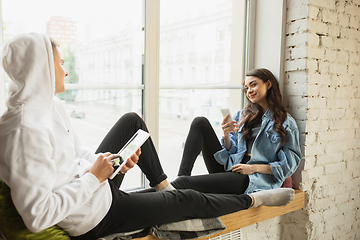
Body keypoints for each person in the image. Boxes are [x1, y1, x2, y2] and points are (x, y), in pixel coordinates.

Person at [0, 33, 295, 240]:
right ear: (41, 69)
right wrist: (94, 177)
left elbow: (77, 153)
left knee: (132, 122)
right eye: (60, 63)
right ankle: (255, 200)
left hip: (94, 189)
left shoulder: (50, 105)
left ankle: (162, 186)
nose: (65, 70)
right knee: (186, 198)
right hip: (93, 215)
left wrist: (112, 163)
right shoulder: (25, 131)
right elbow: (37, 217)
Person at [172, 68, 301, 195]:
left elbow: (289, 166)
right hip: (230, 168)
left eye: (253, 85)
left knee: (185, 183)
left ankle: (171, 189)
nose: (249, 90)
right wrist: (227, 136)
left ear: (268, 84)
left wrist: (252, 168)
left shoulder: (286, 122)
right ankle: (181, 174)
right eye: (247, 88)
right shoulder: (242, 115)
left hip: (253, 178)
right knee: (199, 122)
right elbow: (230, 152)